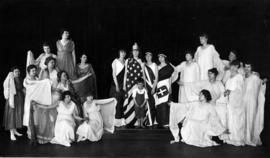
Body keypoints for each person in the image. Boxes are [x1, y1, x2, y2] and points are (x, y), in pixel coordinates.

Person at [220, 60, 245, 146]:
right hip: (229, 102)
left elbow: (240, 90)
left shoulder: (239, 77)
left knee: (236, 121)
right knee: (229, 120)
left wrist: (230, 92)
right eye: (232, 66)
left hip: (236, 102)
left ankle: (237, 139)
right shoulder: (229, 77)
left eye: (235, 66)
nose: (233, 68)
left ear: (238, 67)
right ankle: (229, 138)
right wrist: (226, 92)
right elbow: (226, 88)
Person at [23, 65, 52, 138]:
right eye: (32, 71)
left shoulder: (36, 78)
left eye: (35, 70)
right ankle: (30, 133)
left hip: (37, 101)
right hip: (29, 100)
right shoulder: (26, 80)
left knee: (36, 117)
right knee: (29, 116)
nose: (34, 72)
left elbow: (40, 86)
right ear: (28, 72)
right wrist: (44, 81)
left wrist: (45, 81)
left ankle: (37, 134)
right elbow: (35, 85)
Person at [243, 62, 267, 146]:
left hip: (252, 102)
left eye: (248, 67)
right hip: (243, 101)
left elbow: (261, 84)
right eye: (245, 67)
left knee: (250, 119)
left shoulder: (255, 77)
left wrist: (263, 82)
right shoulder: (243, 77)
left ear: (252, 68)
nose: (246, 69)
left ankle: (249, 138)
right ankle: (244, 137)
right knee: (244, 119)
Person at [123, 43, 145, 127]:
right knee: (130, 102)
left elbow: (142, 75)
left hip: (138, 85)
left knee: (138, 102)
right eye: (133, 50)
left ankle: (137, 121)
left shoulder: (141, 61)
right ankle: (129, 120)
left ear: (138, 51)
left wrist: (144, 86)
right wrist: (124, 85)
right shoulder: (128, 60)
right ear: (132, 51)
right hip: (129, 84)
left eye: (136, 50)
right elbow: (125, 73)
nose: (135, 52)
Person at [3, 67, 24, 141]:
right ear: (12, 72)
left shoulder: (20, 78)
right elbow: (7, 88)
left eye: (18, 71)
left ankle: (15, 131)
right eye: (16, 71)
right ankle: (11, 133)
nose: (17, 73)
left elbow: (21, 88)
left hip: (19, 99)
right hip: (13, 99)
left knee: (16, 115)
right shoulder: (10, 79)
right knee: (11, 115)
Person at [155, 53, 174, 128]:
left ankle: (167, 122)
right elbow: (155, 78)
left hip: (166, 85)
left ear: (164, 57)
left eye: (161, 57)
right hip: (159, 86)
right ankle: (160, 121)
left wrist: (170, 87)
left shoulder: (169, 66)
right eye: (159, 57)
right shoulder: (157, 66)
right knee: (160, 103)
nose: (160, 58)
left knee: (166, 103)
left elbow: (170, 77)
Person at [110, 50, 126, 127]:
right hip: (116, 84)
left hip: (123, 84)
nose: (122, 54)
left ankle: (122, 120)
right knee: (117, 102)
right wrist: (116, 85)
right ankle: (116, 121)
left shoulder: (126, 62)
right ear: (119, 53)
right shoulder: (115, 61)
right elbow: (114, 74)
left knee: (122, 102)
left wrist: (125, 85)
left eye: (124, 52)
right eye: (121, 52)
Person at [143, 52, 158, 125]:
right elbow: (144, 77)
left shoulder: (154, 65)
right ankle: (148, 120)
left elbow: (156, 77)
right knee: (148, 104)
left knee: (153, 104)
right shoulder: (144, 65)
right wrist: (145, 87)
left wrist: (153, 88)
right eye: (146, 56)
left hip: (153, 86)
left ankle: (153, 120)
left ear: (151, 57)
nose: (148, 57)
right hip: (147, 87)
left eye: (149, 56)